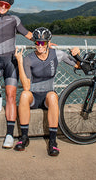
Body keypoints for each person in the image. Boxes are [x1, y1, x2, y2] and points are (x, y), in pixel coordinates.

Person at [14, 27, 80, 156]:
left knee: (53, 96)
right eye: (37, 42)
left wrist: (76, 53)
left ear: (48, 42)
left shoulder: (57, 54)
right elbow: (26, 86)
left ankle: (53, 141)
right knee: (24, 94)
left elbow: (78, 65)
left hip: (47, 97)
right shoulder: (29, 58)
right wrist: (20, 62)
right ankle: (24, 137)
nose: (40, 46)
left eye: (43, 43)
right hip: (33, 96)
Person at [0, 0, 33, 148]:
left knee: (11, 96)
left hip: (11, 62)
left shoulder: (14, 19)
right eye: (1, 4)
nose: (3, 7)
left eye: (7, 5)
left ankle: (9, 135)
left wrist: (45, 43)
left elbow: (28, 34)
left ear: (9, 6)